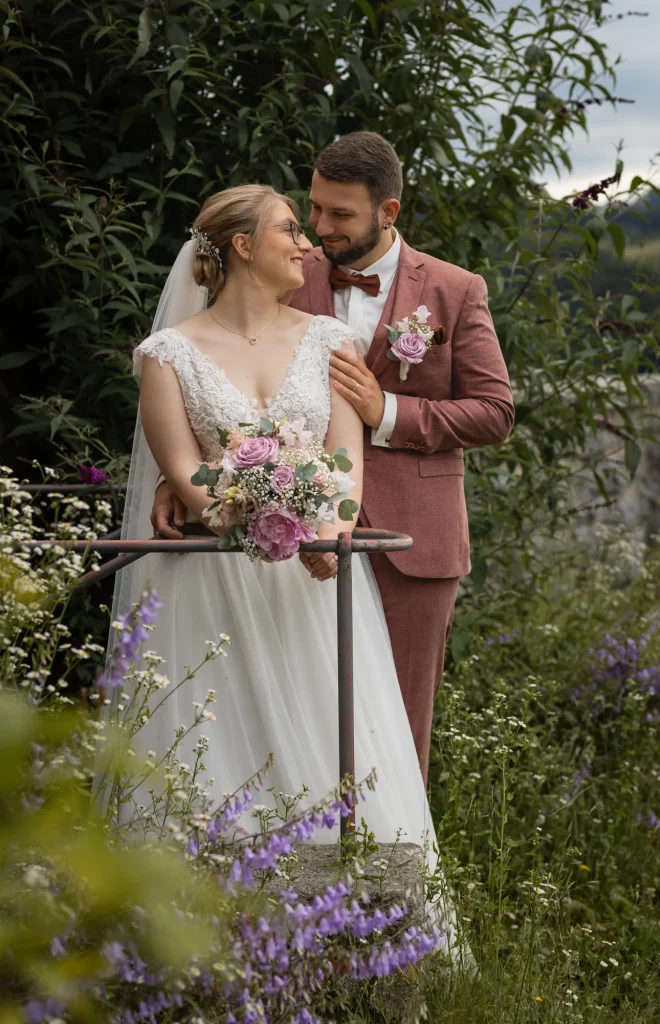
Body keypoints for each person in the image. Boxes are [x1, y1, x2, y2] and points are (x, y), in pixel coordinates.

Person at [152, 133, 515, 782]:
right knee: (287, 716)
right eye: (313, 209)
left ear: (388, 212)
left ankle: (389, 875)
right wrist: (179, 473)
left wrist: (389, 412)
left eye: (338, 214)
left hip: (414, 542)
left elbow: (494, 412)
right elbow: (223, 373)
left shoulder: (456, 291)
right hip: (288, 534)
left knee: (399, 730)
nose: (319, 229)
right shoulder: (284, 272)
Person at [116, 182, 443, 877]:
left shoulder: (332, 339)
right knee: (215, 752)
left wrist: (330, 527)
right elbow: (184, 475)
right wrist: (270, 519)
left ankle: (358, 928)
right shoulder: (167, 355)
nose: (306, 242)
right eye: (290, 229)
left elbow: (346, 464)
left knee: (336, 745)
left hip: (314, 582)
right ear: (241, 246)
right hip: (213, 587)